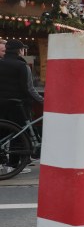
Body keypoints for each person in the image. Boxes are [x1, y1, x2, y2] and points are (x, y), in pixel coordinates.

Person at [0, 40, 44, 172]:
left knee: (3, 133)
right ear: (19, 50)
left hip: (1, 103)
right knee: (19, 133)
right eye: (23, 49)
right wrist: (42, 100)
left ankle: (1, 163)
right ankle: (13, 165)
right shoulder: (22, 66)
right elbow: (29, 88)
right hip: (18, 104)